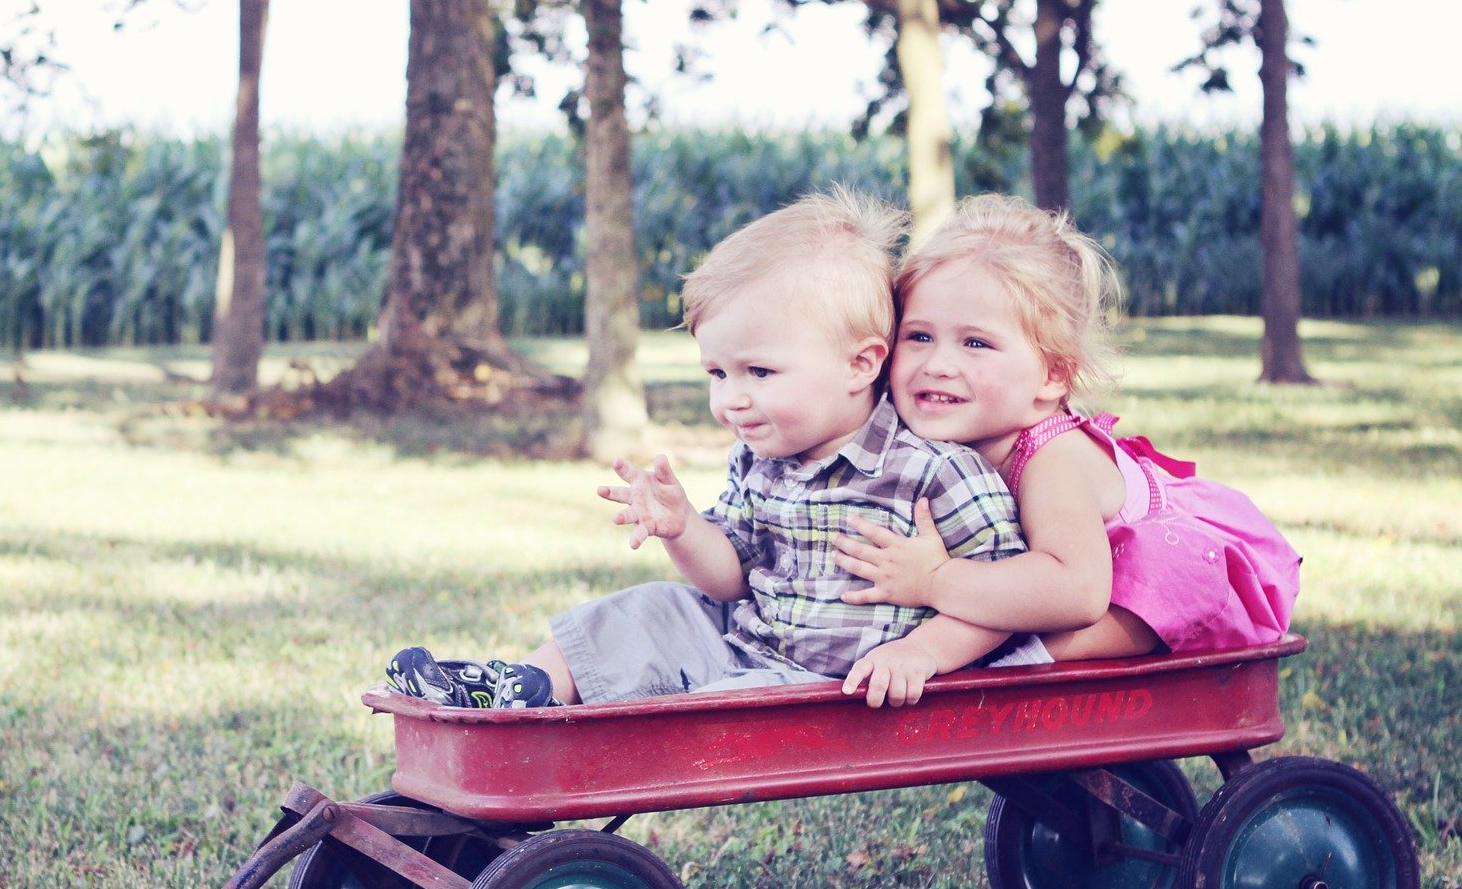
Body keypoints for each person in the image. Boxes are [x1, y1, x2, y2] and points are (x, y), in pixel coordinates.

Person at [384, 187, 1046, 712]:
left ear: (859, 364)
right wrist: (684, 530)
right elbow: (729, 578)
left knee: (707, 712)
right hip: (748, 648)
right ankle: (523, 688)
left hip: (832, 689)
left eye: (758, 373)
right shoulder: (759, 457)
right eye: (717, 374)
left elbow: (1002, 601)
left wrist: (924, 652)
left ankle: (579, 728)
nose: (732, 399)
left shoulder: (932, 471)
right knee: (652, 607)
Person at [835, 194, 1300, 664]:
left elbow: (1076, 591)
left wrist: (935, 581)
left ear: (1052, 376)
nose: (937, 364)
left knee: (1077, 615)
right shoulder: (937, 437)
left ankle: (1023, 664)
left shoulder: (1053, 460)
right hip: (1073, 579)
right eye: (919, 337)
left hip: (1163, 586)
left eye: (976, 343)